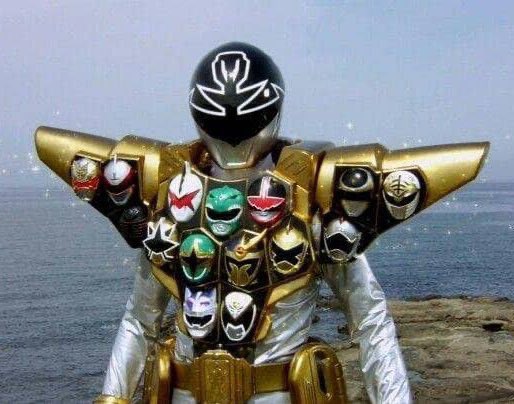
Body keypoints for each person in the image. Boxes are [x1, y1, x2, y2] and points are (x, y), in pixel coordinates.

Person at [35, 42, 488, 404]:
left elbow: (370, 319)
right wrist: (113, 396)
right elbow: (139, 318)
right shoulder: (171, 193)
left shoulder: (311, 193)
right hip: (186, 391)